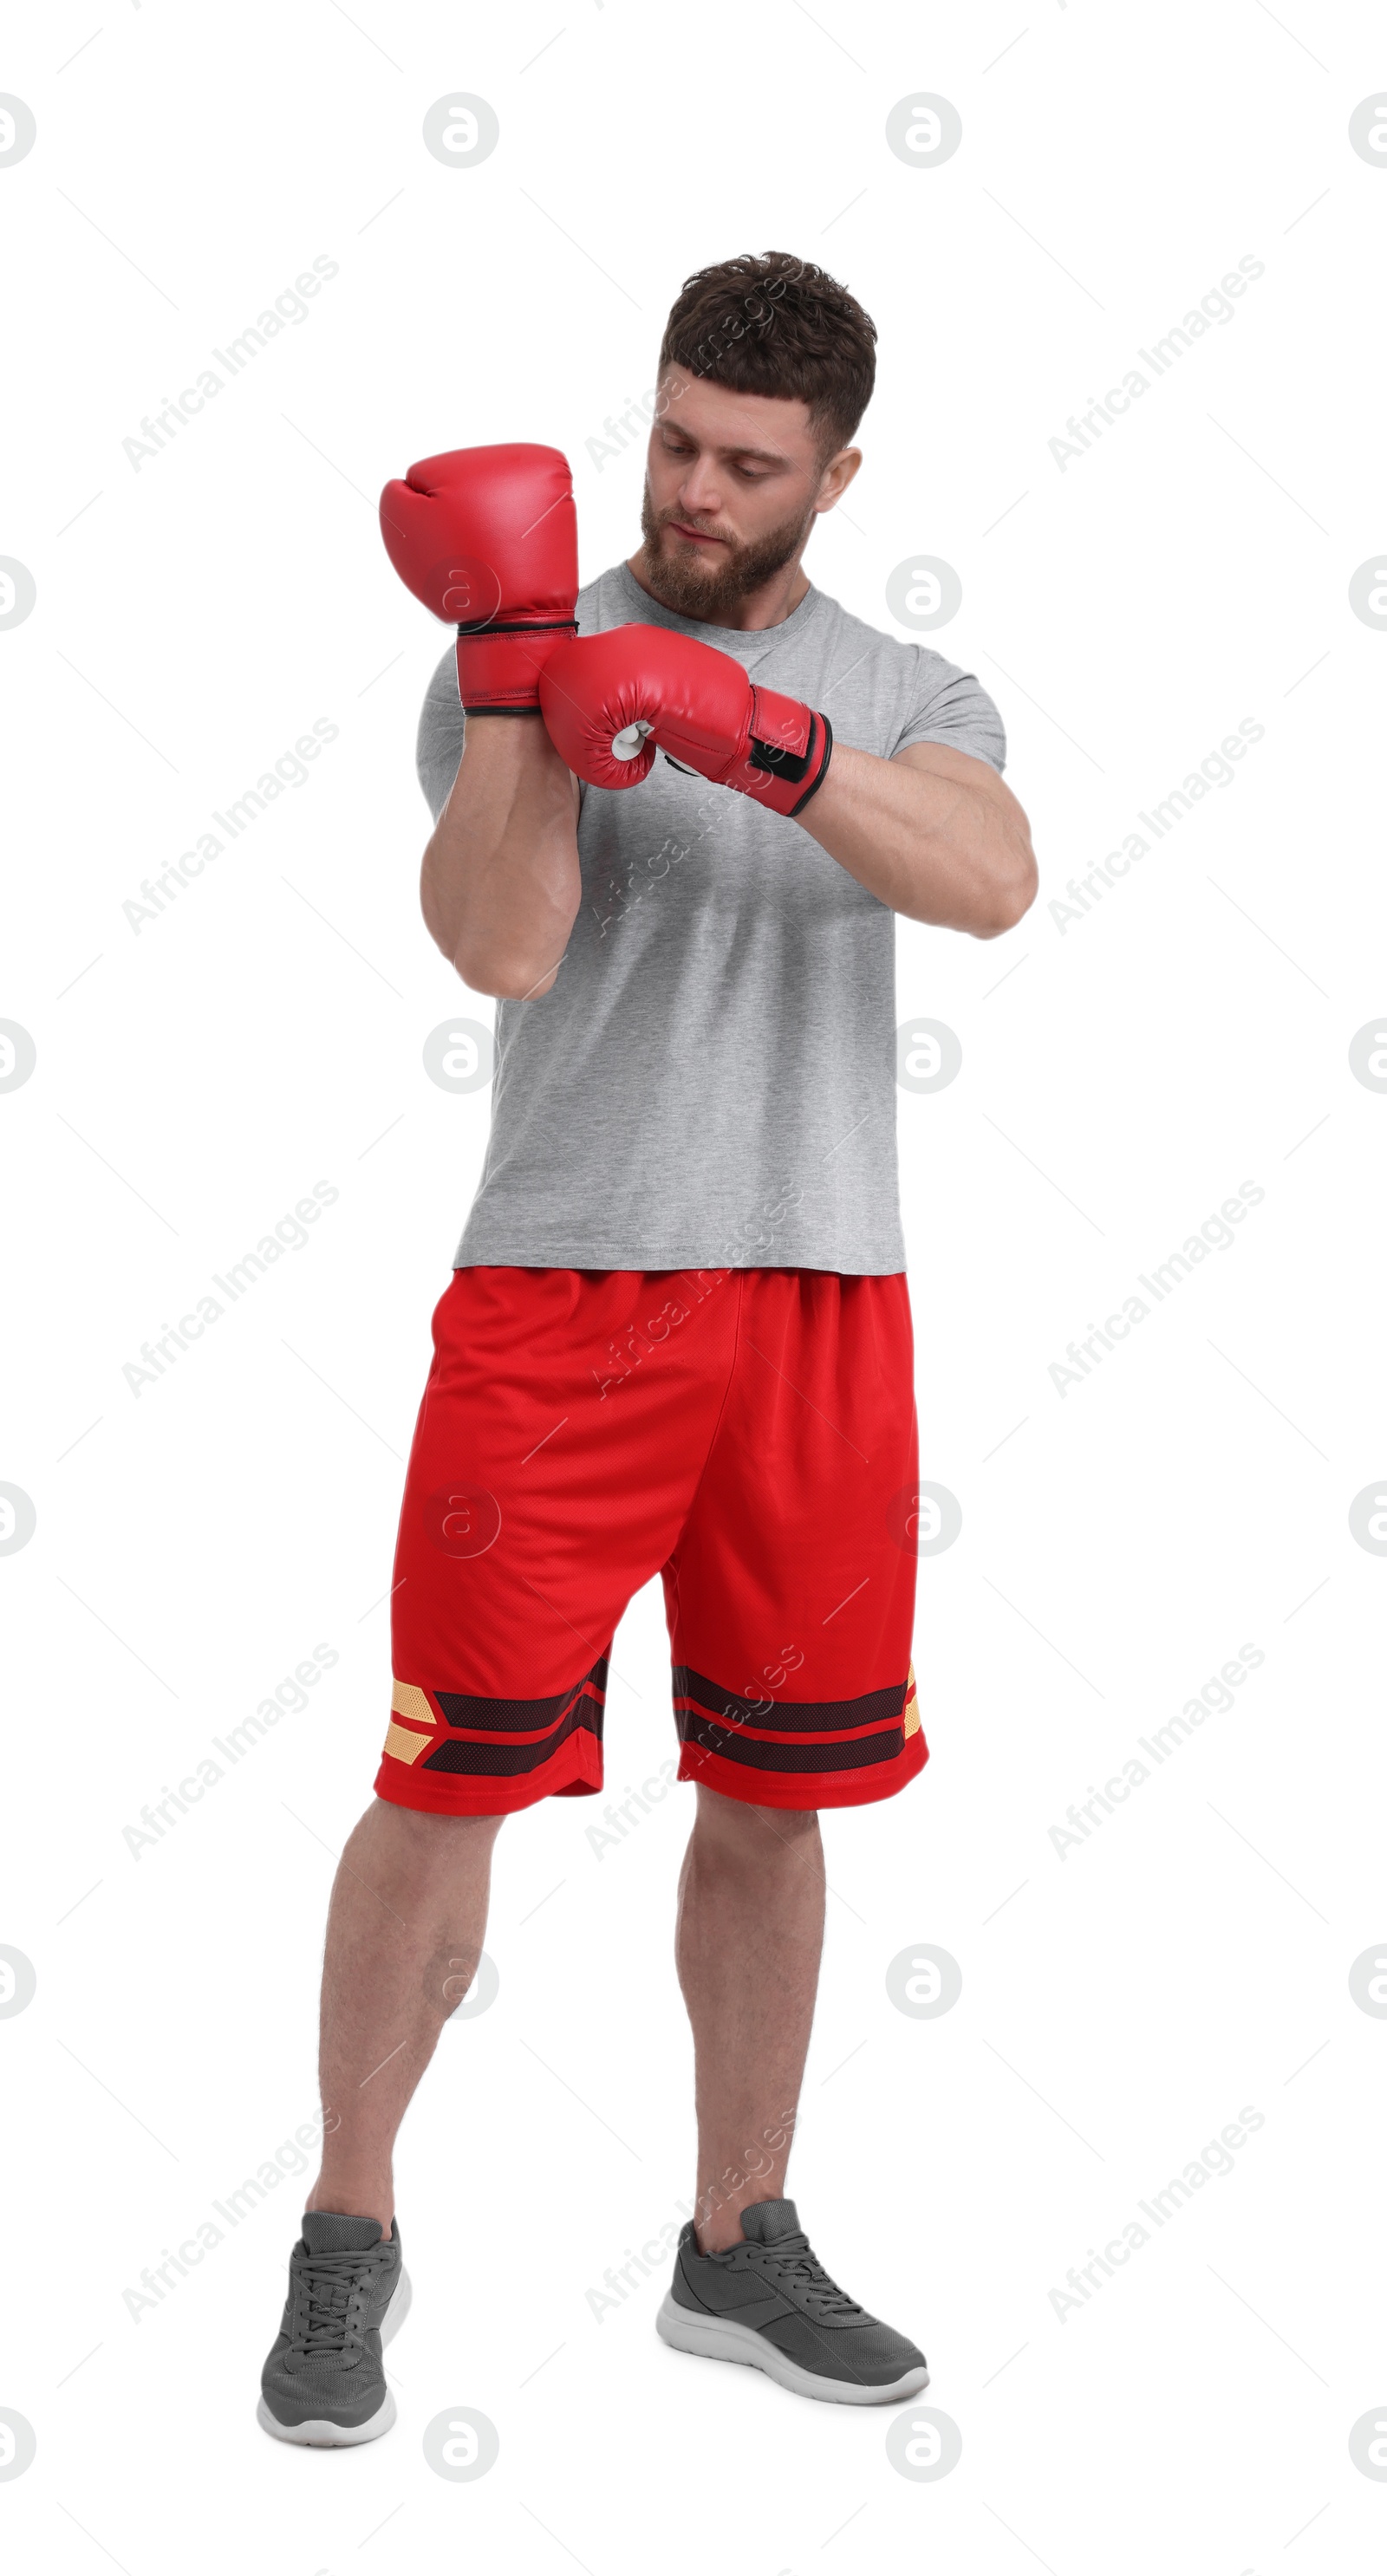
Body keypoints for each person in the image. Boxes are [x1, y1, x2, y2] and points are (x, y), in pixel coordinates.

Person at [258, 250, 1037, 2445]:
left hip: (816, 1292)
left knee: (782, 1796)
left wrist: (755, 739)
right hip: (562, 1289)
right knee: (444, 1780)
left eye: (744, 464)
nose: (692, 491)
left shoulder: (906, 685)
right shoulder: (514, 646)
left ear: (836, 471)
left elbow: (987, 879)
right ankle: (345, 2225)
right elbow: (501, 942)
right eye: (673, 441)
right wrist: (526, 670)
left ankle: (733, 2237)